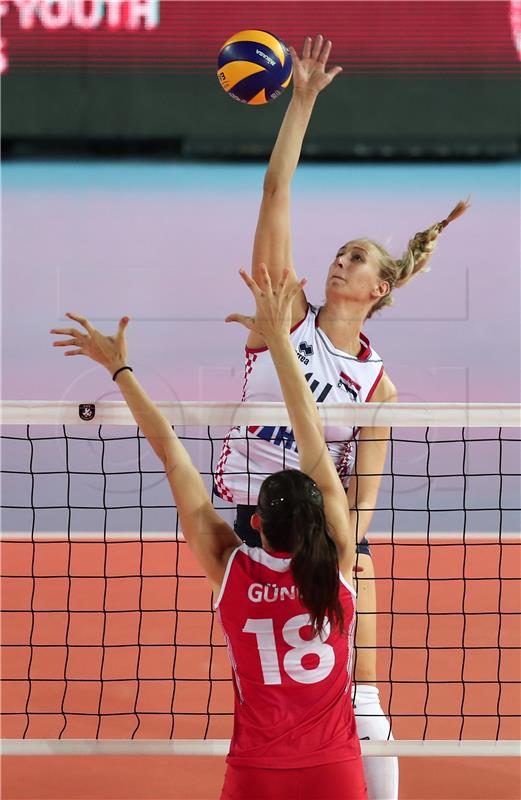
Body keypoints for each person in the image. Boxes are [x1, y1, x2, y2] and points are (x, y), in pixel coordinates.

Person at [214, 35, 469, 800]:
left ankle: (368, 741)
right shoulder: (280, 315)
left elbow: (362, 491)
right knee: (274, 676)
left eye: (357, 258)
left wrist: (354, 547)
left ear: (379, 289)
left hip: (323, 525)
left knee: (358, 662)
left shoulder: (376, 386)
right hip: (248, 515)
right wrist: (300, 103)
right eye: (339, 253)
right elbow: (274, 200)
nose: (339, 262)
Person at [50, 265, 368, 800]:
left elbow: (173, 455)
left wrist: (119, 367)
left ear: (257, 523)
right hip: (334, 768)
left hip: (256, 774)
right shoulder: (337, 564)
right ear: (320, 517)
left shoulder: (233, 569)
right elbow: (310, 431)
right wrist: (280, 343)